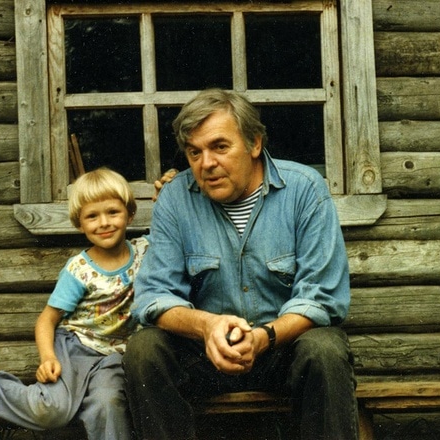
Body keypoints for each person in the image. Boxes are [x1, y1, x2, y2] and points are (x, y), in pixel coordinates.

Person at [122, 88, 358, 440]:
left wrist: (263, 338)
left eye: (220, 146)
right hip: (206, 357)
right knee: (144, 350)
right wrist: (207, 327)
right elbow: (154, 295)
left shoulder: (304, 189)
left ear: (254, 144)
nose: (206, 163)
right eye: (194, 152)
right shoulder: (175, 199)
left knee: (324, 349)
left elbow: (322, 297)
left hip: (281, 351)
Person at [0, 168, 149, 440]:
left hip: (115, 357)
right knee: (51, 411)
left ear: (130, 214)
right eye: (92, 216)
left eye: (113, 212)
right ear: (79, 223)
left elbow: (174, 222)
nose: (104, 223)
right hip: (74, 349)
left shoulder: (145, 250)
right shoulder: (79, 270)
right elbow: (47, 320)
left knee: (108, 404)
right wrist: (48, 358)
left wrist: (165, 189)